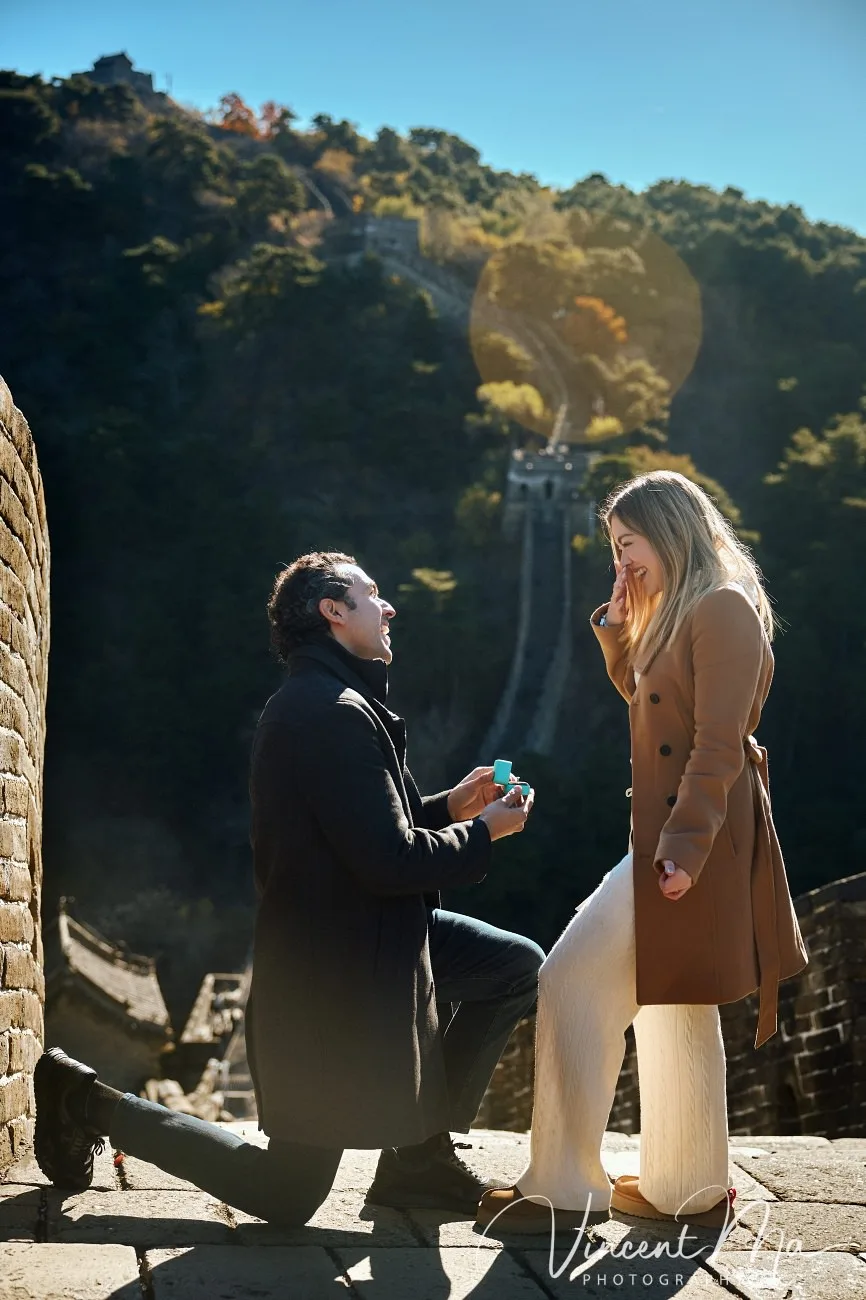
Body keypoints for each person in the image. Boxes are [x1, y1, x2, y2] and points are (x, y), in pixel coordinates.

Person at [35, 550, 545, 1226]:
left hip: (371, 940)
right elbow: (386, 860)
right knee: (288, 1192)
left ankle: (419, 1160)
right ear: (333, 611)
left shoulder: (332, 703)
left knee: (513, 967)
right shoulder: (328, 713)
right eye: (372, 595)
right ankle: (86, 1102)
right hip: (332, 975)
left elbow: (362, 834)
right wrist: (485, 835)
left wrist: (449, 807)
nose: (389, 607)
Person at [477, 470, 809, 1233]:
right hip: (679, 834)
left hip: (697, 836)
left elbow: (716, 745)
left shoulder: (722, 609)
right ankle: (687, 1191)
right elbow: (651, 702)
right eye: (614, 549)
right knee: (673, 1000)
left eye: (629, 545)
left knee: (569, 977)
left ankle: (560, 1187)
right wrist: (621, 623)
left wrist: (685, 847)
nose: (621, 561)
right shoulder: (687, 609)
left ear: (670, 530)